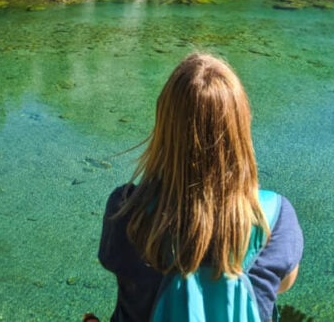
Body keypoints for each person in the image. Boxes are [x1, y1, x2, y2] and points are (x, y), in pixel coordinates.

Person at [95, 52, 303, 322]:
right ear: (241, 124)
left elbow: (117, 265)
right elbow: (284, 282)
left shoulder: (126, 210)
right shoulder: (275, 218)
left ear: (164, 125)